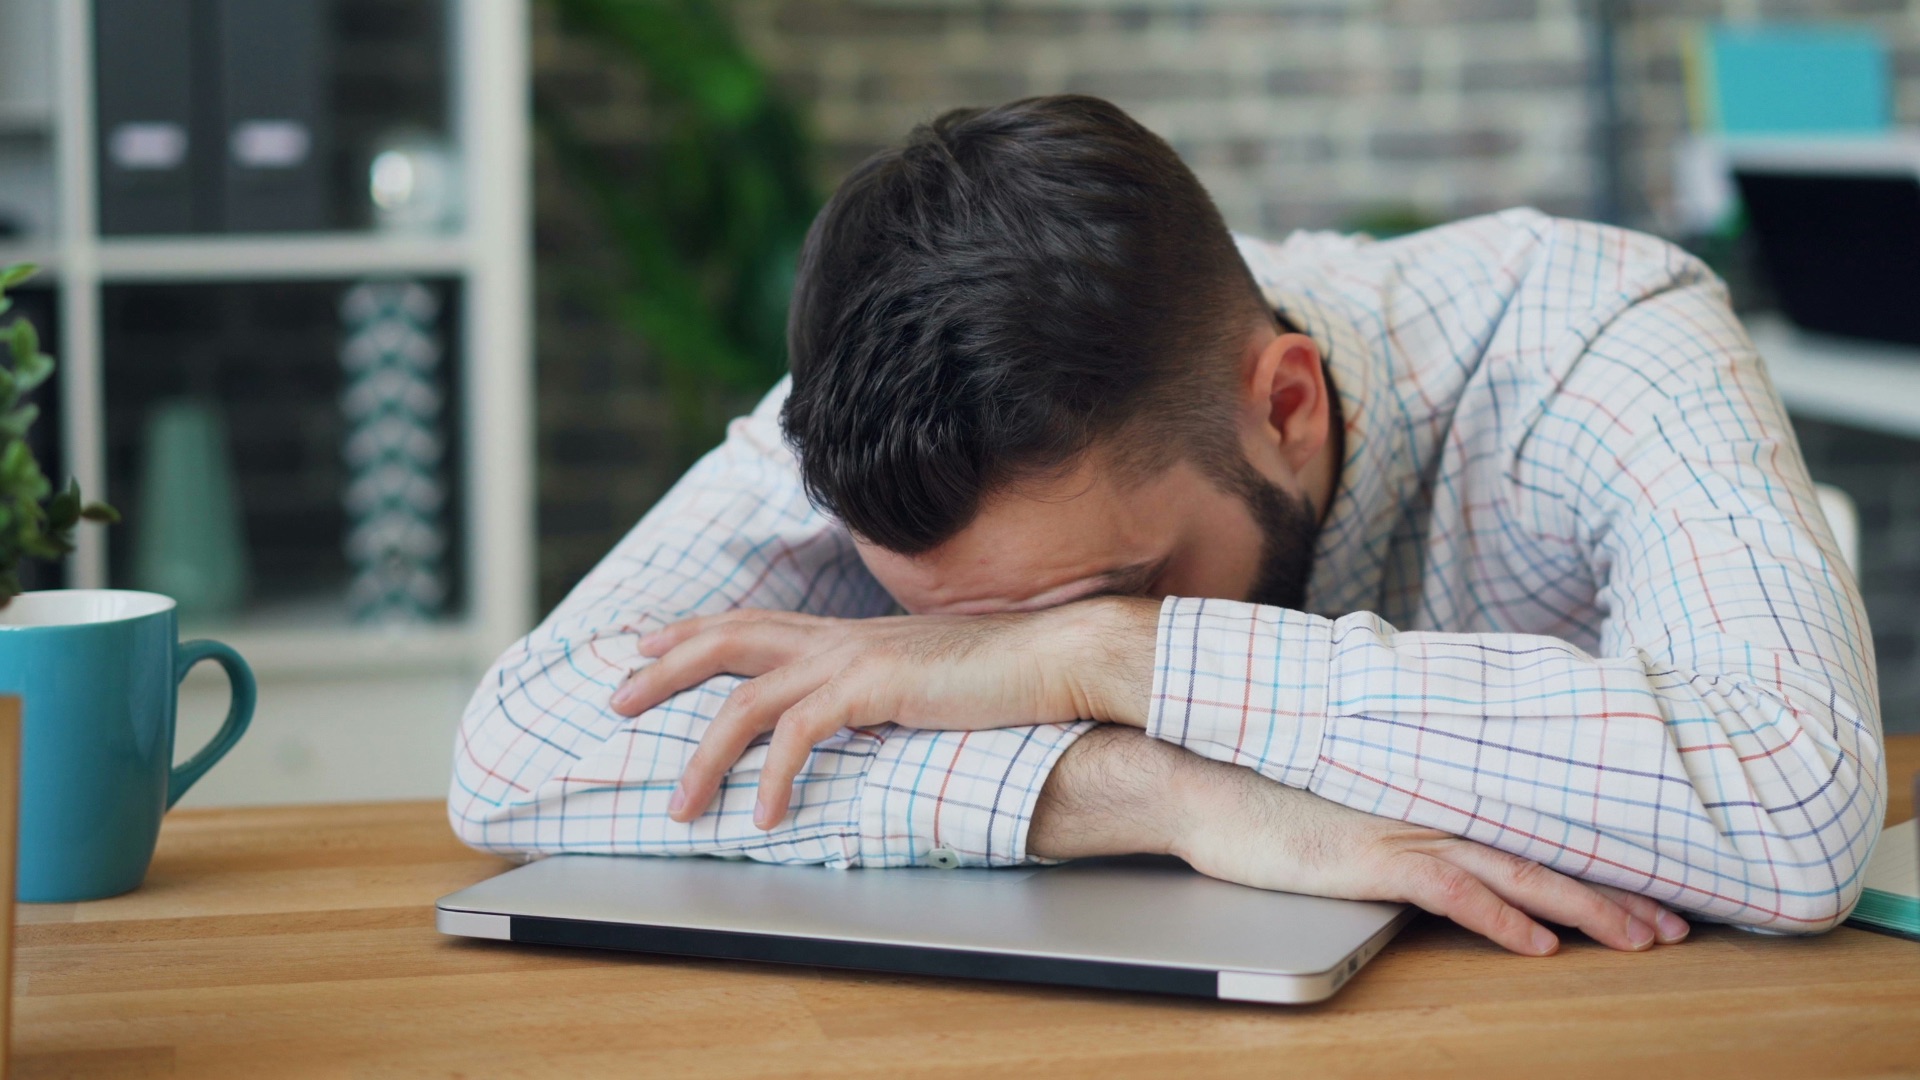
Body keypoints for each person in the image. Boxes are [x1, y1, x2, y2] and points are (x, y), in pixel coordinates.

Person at [450, 95, 1884, 957]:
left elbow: (1796, 801)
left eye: (1093, 592)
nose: (991, 663)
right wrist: (1152, 794)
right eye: (961, 630)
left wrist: (1106, 659)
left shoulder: (1598, 332)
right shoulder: (879, 408)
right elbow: (517, 751)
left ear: (1288, 403)